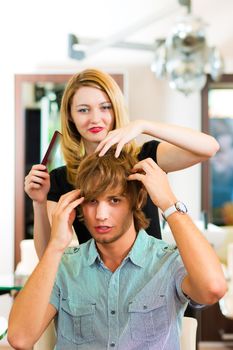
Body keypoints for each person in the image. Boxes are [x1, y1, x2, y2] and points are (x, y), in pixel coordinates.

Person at [8, 149, 226, 350]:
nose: (101, 214)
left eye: (114, 200)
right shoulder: (64, 266)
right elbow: (20, 338)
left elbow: (213, 288)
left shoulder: (167, 261)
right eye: (92, 201)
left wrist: (168, 203)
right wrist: (55, 245)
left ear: (136, 200)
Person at [24, 68, 220, 259]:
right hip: (96, 286)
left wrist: (144, 125)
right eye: (83, 110)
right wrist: (39, 203)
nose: (95, 119)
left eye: (105, 107)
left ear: (116, 109)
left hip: (152, 282)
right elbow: (46, 255)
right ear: (70, 116)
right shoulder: (60, 179)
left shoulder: (145, 158)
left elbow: (209, 147)